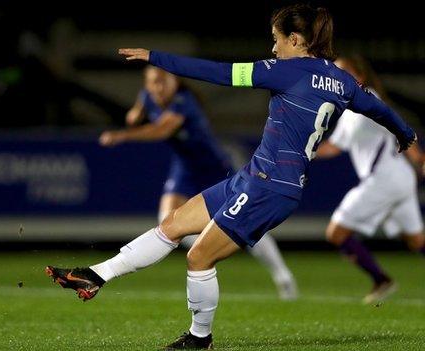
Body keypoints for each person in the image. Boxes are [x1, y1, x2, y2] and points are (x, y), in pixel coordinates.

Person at [45, 4, 416, 349]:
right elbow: (379, 109)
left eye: (276, 39)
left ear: (296, 41)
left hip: (270, 186)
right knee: (174, 224)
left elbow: (218, 73)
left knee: (199, 258)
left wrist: (156, 57)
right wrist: (406, 135)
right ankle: (95, 276)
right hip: (258, 176)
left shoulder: (286, 70)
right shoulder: (343, 82)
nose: (273, 47)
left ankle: (199, 337)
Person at [99, 65, 298, 299]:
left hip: (213, 166)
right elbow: (138, 109)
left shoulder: (184, 102)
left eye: (164, 81)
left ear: (176, 82)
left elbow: (162, 130)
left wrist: (122, 135)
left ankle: (281, 274)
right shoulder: (147, 96)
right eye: (153, 82)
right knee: (167, 220)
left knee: (247, 220)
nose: (159, 87)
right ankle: (211, 245)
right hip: (185, 167)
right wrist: (136, 111)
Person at [315, 55, 425, 305]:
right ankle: (381, 280)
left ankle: (381, 280)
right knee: (417, 240)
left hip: (385, 178)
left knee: (336, 232)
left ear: (360, 76)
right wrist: (305, 151)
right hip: (397, 178)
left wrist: (420, 158)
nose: (337, 78)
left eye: (344, 72)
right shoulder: (349, 108)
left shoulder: (369, 99)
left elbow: (399, 127)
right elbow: (333, 146)